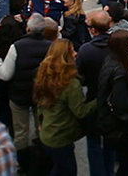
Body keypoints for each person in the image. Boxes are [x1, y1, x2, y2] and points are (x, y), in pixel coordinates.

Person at [0, 13, 51, 172]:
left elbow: (5, 74)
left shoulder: (17, 46)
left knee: (20, 132)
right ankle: (43, 159)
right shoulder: (50, 46)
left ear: (28, 28)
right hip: (40, 94)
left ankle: (21, 163)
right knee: (42, 127)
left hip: (19, 95)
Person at [34, 39, 96, 176]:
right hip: (61, 137)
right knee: (67, 170)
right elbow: (80, 111)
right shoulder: (70, 83)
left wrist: (40, 123)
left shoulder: (45, 75)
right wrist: (98, 100)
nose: (75, 54)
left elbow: (39, 104)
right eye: (72, 51)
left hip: (47, 132)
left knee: (58, 168)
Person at [97, 30, 128, 175]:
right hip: (119, 127)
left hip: (112, 124)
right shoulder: (120, 73)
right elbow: (121, 104)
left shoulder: (111, 60)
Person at [76, 10, 115, 176]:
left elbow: (79, 76)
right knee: (110, 143)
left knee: (93, 143)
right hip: (114, 100)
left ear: (93, 30)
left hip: (93, 99)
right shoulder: (117, 46)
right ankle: (109, 171)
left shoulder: (86, 50)